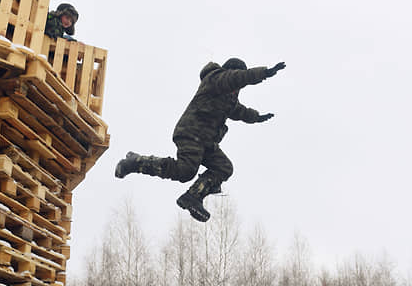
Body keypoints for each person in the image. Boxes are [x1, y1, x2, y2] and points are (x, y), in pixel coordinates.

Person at [114, 58, 286, 222]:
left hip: (206, 142)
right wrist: (265, 72)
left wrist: (258, 117)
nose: (237, 91)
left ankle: (193, 197)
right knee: (185, 171)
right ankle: (135, 162)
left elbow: (241, 112)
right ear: (230, 74)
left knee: (224, 167)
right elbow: (238, 78)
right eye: (236, 86)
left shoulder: (228, 100)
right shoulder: (215, 80)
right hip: (191, 132)